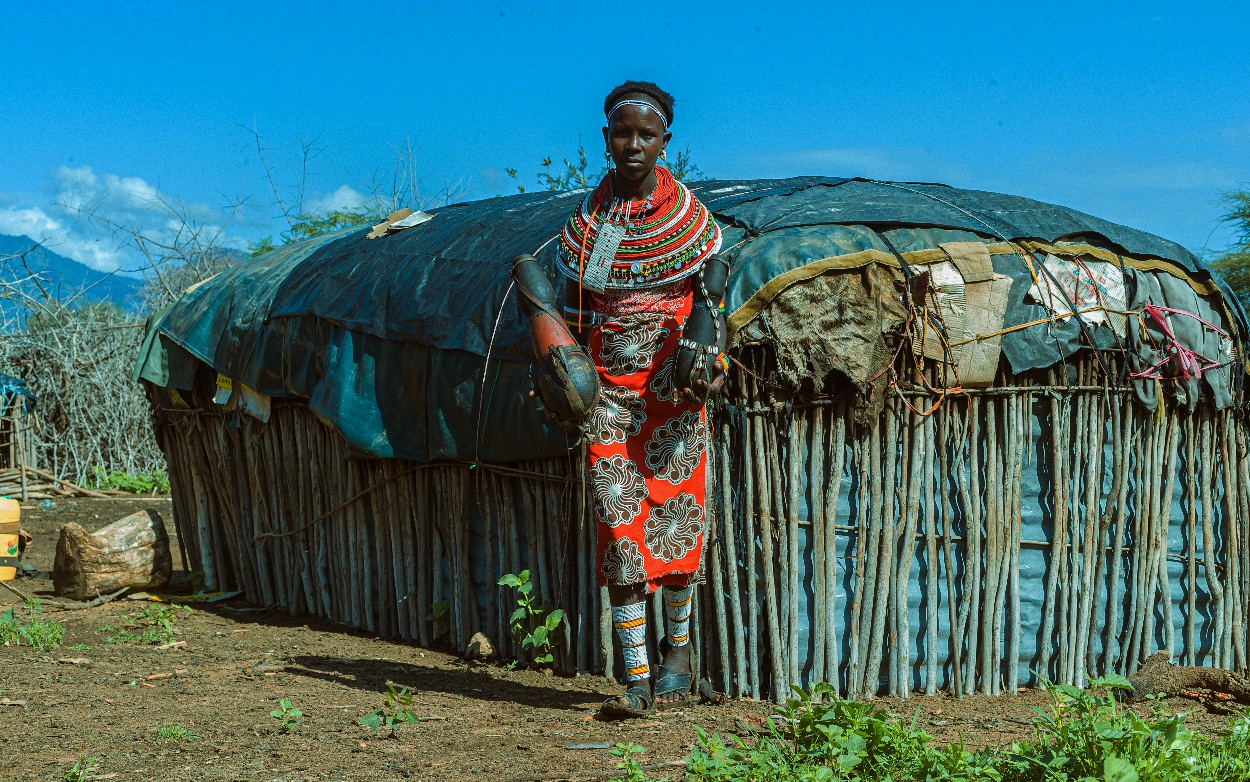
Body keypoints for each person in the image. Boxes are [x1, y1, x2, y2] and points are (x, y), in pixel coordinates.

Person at [555, 80, 725, 718]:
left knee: (678, 524)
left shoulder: (691, 220)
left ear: (665, 142)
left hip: (674, 397)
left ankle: (677, 656)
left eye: (645, 134)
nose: (633, 144)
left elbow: (712, 291)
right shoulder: (587, 227)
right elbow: (570, 317)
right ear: (605, 138)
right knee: (619, 529)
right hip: (606, 399)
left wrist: (702, 347)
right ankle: (635, 675)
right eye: (621, 133)